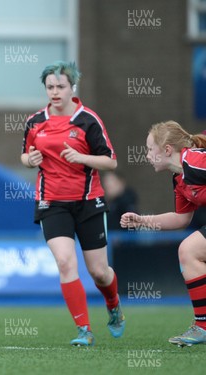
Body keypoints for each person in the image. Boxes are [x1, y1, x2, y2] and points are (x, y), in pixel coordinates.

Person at [20, 61, 123, 347]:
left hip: (88, 202)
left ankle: (113, 305)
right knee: (66, 263)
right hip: (51, 202)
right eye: (50, 87)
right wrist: (30, 160)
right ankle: (84, 330)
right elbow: (25, 155)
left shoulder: (88, 120)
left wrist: (83, 159)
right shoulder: (35, 121)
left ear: (72, 88)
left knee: (99, 272)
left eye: (60, 87)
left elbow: (111, 162)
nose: (55, 92)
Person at [121, 121, 206, 347]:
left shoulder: (195, 161)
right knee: (189, 252)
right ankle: (203, 325)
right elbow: (181, 219)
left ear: (167, 149)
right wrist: (142, 221)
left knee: (189, 250)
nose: (147, 155)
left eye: (150, 149)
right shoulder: (180, 178)